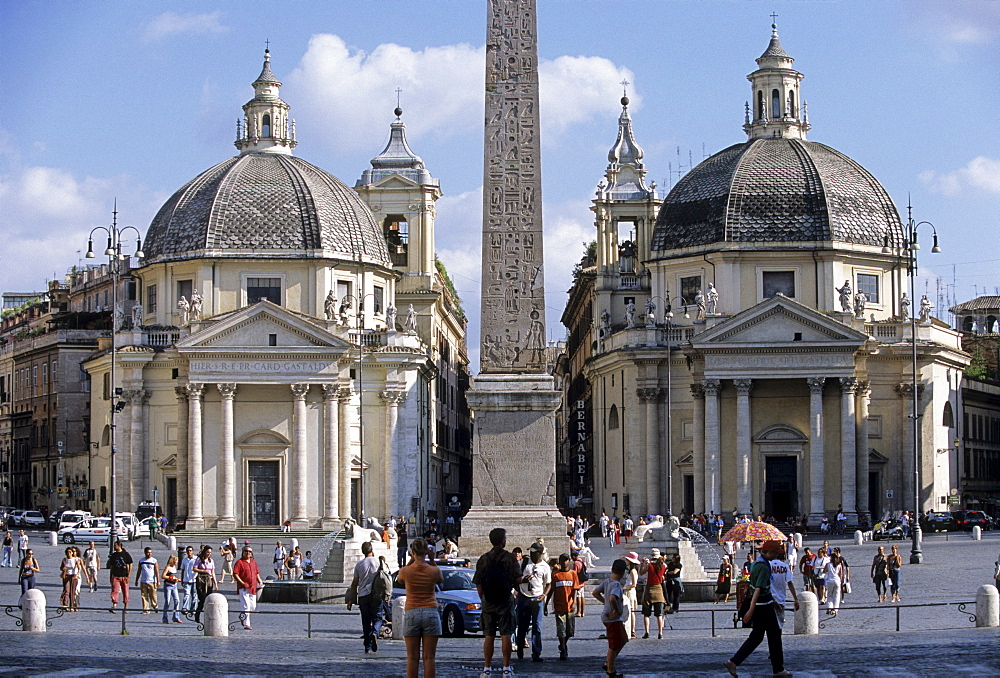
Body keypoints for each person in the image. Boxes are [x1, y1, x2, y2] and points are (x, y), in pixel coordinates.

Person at [724, 540, 791, 677]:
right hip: (763, 607)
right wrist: (751, 609)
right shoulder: (764, 567)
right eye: (776, 553)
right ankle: (778, 669)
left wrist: (773, 601)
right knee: (774, 636)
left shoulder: (756, 564)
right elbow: (758, 589)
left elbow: (759, 588)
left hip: (765, 604)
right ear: (769, 552)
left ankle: (734, 662)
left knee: (757, 637)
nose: (776, 557)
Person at [473, 527, 522, 678]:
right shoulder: (509, 558)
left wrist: (483, 598)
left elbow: (478, 582)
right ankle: (506, 668)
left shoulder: (484, 558)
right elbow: (517, 579)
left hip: (488, 600)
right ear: (502, 541)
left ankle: (486, 668)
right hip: (505, 600)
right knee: (506, 633)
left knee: (489, 635)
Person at [396, 538, 443, 678]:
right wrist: (432, 560)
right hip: (430, 610)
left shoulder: (406, 571)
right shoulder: (433, 571)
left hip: (412, 611)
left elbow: (399, 579)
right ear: (427, 552)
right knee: (429, 657)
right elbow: (440, 579)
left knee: (412, 658)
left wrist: (411, 560)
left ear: (412, 552)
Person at [347, 541, 387, 654]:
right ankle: (375, 632)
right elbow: (386, 579)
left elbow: (354, 584)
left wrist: (351, 600)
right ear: (372, 550)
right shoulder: (379, 562)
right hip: (376, 595)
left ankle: (368, 647)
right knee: (378, 618)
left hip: (363, 595)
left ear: (363, 551)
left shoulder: (359, 564)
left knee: (365, 621)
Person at [515, 542, 552, 662]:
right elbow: (515, 578)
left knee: (537, 626)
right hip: (524, 597)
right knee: (522, 625)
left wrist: (544, 595)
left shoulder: (545, 567)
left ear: (540, 554)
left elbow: (548, 583)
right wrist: (522, 581)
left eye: (534, 552)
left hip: (537, 599)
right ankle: (520, 645)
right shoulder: (524, 563)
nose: (531, 554)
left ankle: (536, 652)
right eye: (530, 552)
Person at [594, 558, 629, 678]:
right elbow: (613, 598)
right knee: (614, 645)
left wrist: (604, 602)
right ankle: (610, 671)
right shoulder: (617, 585)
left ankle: (609, 663)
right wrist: (617, 610)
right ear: (623, 572)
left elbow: (595, 592)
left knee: (624, 639)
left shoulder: (607, 581)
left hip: (608, 616)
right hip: (612, 617)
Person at [546, 553, 580, 661]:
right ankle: (563, 649)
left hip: (570, 606)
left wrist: (574, 603)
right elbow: (551, 590)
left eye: (566, 560)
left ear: (569, 562)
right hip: (559, 606)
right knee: (561, 629)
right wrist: (546, 604)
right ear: (559, 562)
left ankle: (563, 643)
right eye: (563, 560)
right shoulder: (555, 576)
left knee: (570, 631)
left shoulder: (573, 574)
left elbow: (575, 590)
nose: (565, 562)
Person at [233, 544, 263, 630]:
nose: (248, 553)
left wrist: (259, 580)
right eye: (246, 551)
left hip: (252, 587)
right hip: (243, 587)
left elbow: (256, 572)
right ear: (243, 552)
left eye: (250, 551)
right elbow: (235, 574)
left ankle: (243, 615)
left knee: (252, 606)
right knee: (246, 606)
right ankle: (246, 624)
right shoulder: (239, 562)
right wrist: (242, 582)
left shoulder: (253, 561)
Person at [639, 548, 667, 639]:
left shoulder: (649, 565)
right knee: (659, 614)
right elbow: (663, 576)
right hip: (658, 590)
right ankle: (660, 633)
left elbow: (641, 573)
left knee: (646, 614)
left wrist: (642, 563)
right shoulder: (663, 566)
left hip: (649, 589)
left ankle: (647, 632)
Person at [769, 546, 798, 627]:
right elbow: (790, 583)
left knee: (770, 623)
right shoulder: (785, 566)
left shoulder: (768, 565)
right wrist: (795, 598)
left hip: (769, 598)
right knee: (779, 623)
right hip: (780, 598)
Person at [193, 545, 218, 623]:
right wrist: (204, 571)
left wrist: (215, 583)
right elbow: (194, 568)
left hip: (209, 579)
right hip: (201, 579)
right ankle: (198, 613)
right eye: (207, 552)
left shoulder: (211, 561)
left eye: (210, 552)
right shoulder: (199, 559)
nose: (209, 554)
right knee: (202, 598)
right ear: (204, 552)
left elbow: (213, 572)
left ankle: (208, 615)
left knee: (208, 598)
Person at [108, 541, 133, 612]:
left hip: (124, 576)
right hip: (115, 576)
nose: (114, 547)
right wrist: (110, 576)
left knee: (125, 591)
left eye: (115, 545)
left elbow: (130, 564)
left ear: (119, 546)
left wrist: (129, 575)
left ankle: (126, 606)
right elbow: (111, 566)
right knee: (115, 591)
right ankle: (114, 605)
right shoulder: (113, 555)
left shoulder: (125, 554)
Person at [135, 546, 160, 614]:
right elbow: (139, 570)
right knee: (144, 596)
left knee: (153, 596)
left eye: (150, 552)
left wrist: (158, 581)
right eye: (148, 552)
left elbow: (156, 571)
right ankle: (146, 609)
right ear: (145, 553)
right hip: (143, 581)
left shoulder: (154, 561)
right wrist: (136, 580)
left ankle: (155, 606)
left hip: (152, 581)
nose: (149, 554)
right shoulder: (141, 561)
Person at [622, 552, 640, 637]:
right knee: (628, 611)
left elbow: (634, 584)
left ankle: (632, 630)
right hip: (628, 591)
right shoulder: (631, 570)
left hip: (629, 591)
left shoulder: (633, 571)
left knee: (631, 611)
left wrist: (624, 588)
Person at [60, 546, 83, 611]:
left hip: (73, 576)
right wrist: (63, 569)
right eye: (67, 552)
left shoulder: (76, 560)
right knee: (66, 590)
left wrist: (77, 574)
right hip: (66, 576)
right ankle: (65, 604)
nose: (69, 553)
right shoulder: (64, 560)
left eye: (70, 552)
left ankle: (72, 606)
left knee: (73, 591)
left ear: (72, 553)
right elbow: (61, 568)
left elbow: (79, 568)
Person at [161, 554, 182, 624]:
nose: (176, 562)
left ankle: (176, 617)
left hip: (174, 586)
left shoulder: (174, 568)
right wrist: (169, 577)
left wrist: (177, 579)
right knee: (167, 601)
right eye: (175, 561)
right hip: (168, 586)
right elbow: (163, 576)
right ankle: (165, 618)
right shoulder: (168, 567)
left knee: (177, 601)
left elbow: (174, 576)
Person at [824, 552, 845, 616]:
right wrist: (840, 581)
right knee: (836, 596)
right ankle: (835, 610)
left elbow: (824, 571)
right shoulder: (839, 565)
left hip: (830, 581)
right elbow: (841, 574)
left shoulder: (828, 564)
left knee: (829, 595)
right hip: (837, 581)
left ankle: (829, 607)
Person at [179, 545, 198, 611]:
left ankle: (193, 609)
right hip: (186, 579)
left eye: (190, 550)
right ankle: (185, 608)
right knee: (186, 595)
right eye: (188, 551)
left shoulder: (196, 559)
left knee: (194, 595)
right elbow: (182, 570)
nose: (189, 552)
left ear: (192, 551)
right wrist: (182, 579)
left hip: (194, 580)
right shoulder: (184, 560)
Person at [570, 551, 587, 617]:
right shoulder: (582, 561)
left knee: (578, 597)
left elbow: (574, 573)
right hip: (582, 582)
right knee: (582, 596)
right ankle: (582, 612)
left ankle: (578, 612)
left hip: (578, 582)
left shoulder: (576, 563)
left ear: (574, 556)